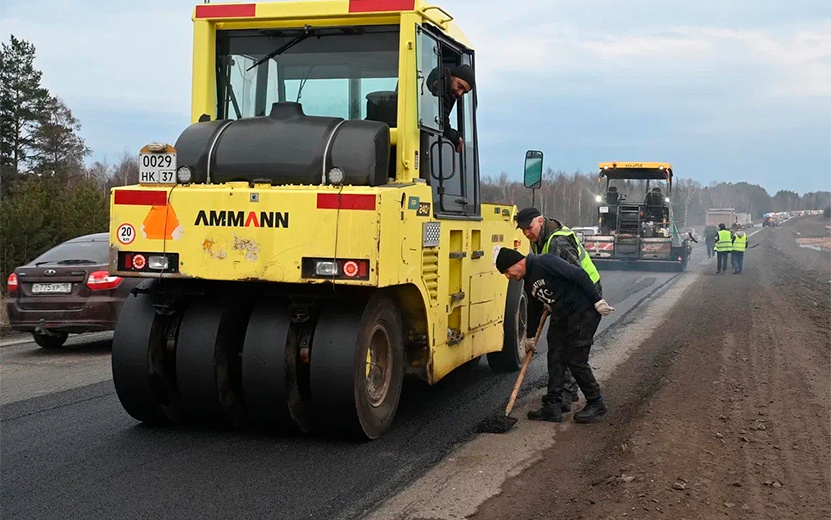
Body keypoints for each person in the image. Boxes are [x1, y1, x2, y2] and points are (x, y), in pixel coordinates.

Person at [495, 247, 615, 423]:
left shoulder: (544, 262)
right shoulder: (527, 281)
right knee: (555, 355)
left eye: (507, 271)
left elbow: (579, 275)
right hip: (563, 314)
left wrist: (597, 301)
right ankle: (553, 406)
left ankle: (596, 402)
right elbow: (534, 309)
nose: (508, 276)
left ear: (517, 263)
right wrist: (529, 337)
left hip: (583, 311)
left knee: (575, 358)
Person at [515, 207, 603, 411]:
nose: (527, 233)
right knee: (555, 344)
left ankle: (572, 395)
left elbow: (578, 276)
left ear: (540, 221)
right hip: (564, 299)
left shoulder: (558, 241)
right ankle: (560, 396)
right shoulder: (538, 241)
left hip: (585, 296)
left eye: (529, 228)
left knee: (571, 348)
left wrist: (594, 301)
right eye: (523, 230)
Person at [427, 64, 475, 152]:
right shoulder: (441, 86)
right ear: (451, 76)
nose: (460, 93)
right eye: (460, 86)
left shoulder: (445, 88)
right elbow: (442, 125)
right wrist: (457, 137)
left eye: (464, 92)